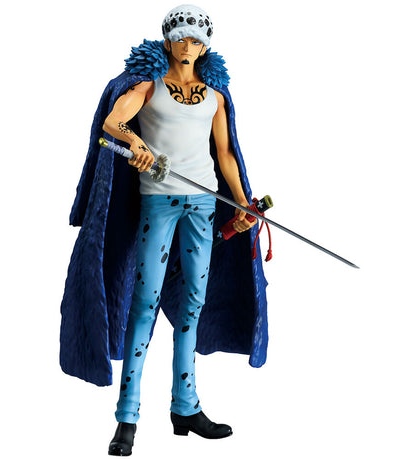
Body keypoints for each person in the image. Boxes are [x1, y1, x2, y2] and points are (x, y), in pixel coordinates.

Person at [59, 4, 269, 457]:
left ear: (205, 47)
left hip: (204, 205)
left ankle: (185, 407)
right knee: (144, 304)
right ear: (168, 40)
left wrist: (242, 202)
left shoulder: (214, 95)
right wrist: (135, 143)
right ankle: (127, 417)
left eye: (196, 41)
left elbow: (225, 153)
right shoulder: (148, 85)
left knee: (193, 304)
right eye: (181, 38)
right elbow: (113, 123)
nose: (187, 47)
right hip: (159, 201)